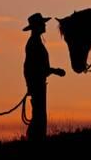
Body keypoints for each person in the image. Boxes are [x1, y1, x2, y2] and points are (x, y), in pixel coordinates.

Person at [22, 13, 66, 141]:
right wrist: (55, 71)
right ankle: (36, 140)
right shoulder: (34, 43)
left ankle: (35, 139)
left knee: (38, 114)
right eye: (42, 23)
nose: (45, 25)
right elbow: (34, 67)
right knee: (39, 115)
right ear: (37, 26)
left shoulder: (34, 42)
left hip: (37, 82)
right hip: (37, 83)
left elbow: (30, 67)